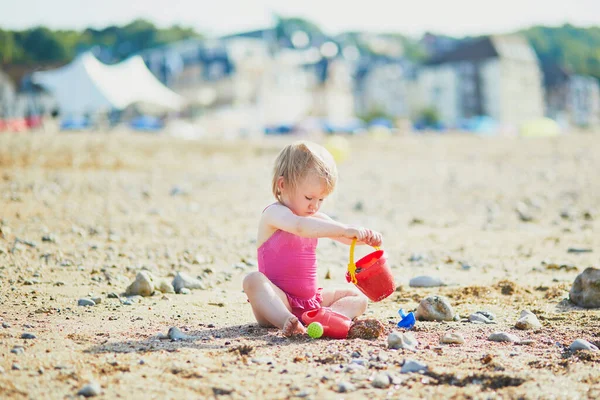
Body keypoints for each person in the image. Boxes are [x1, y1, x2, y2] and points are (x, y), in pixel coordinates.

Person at [243, 140, 383, 336]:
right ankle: (286, 321)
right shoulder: (274, 214)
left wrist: (364, 237)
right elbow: (300, 227)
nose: (314, 206)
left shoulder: (313, 217)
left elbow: (344, 237)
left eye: (321, 200)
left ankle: (327, 316)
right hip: (278, 301)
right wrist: (344, 229)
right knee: (253, 280)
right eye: (309, 198)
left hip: (311, 301)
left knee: (357, 298)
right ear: (282, 185)